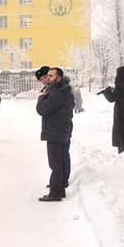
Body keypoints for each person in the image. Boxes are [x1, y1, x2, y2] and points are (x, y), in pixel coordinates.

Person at [36, 67, 74, 201]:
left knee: (55, 163)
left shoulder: (58, 93)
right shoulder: (62, 90)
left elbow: (42, 109)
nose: (48, 79)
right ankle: (59, 187)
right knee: (60, 160)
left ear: (59, 77)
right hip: (59, 129)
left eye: (51, 76)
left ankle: (56, 192)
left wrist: (42, 96)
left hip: (56, 131)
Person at [99, 64, 124, 153]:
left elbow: (112, 99)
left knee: (121, 134)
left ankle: (121, 151)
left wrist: (106, 91)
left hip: (121, 115)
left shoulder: (119, 87)